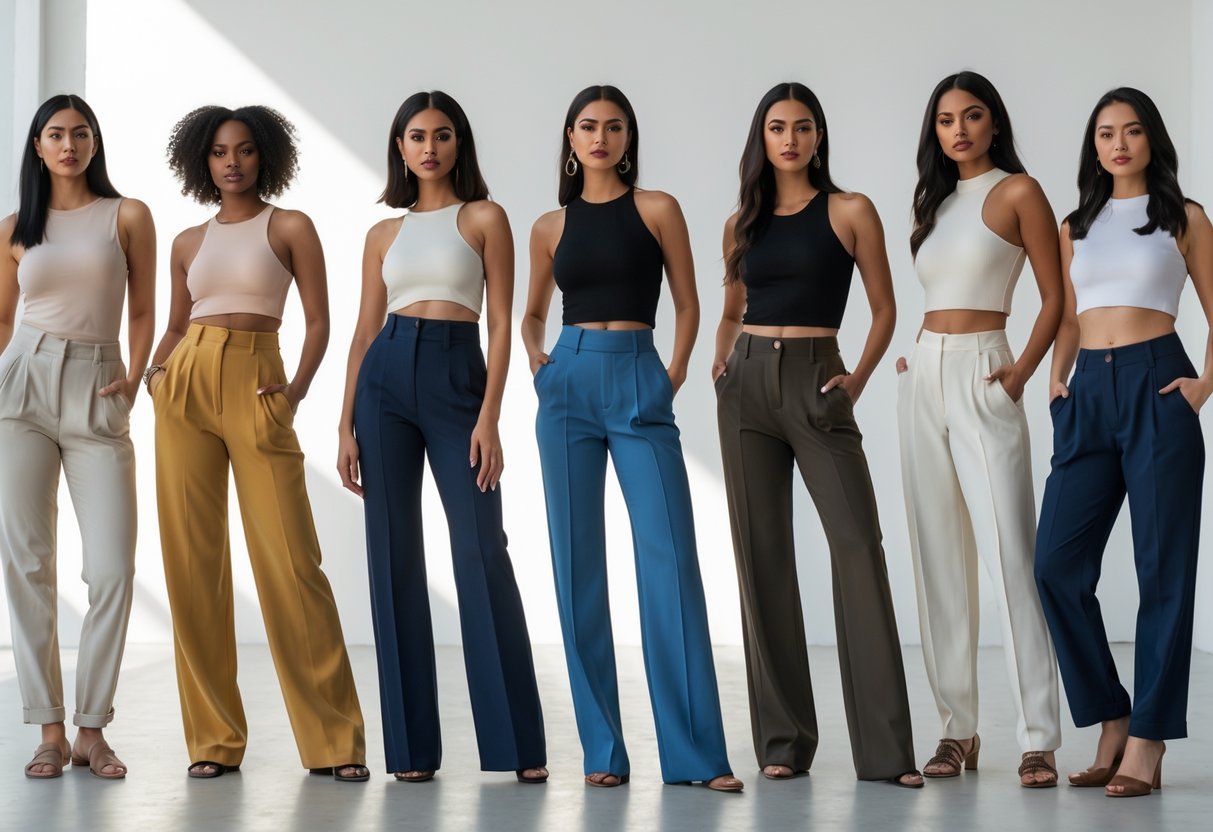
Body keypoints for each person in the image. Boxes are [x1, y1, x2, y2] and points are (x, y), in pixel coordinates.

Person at [522, 84, 741, 792]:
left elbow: (687, 300)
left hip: (639, 376)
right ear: (569, 138)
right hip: (569, 385)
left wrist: (671, 373)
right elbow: (530, 314)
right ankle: (602, 751)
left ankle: (697, 757)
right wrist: (540, 366)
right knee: (576, 566)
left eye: (613, 127)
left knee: (669, 562)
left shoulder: (657, 209)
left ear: (627, 138)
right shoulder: (549, 226)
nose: (600, 138)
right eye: (587, 126)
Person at [148, 104, 366, 781]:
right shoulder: (187, 241)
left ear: (265, 155)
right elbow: (176, 324)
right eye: (218, 151)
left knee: (291, 562)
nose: (232, 162)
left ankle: (335, 742)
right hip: (185, 386)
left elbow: (321, 320)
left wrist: (295, 390)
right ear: (201, 161)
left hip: (257, 378)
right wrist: (157, 377)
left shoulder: (290, 226)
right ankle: (212, 741)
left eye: (243, 150)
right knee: (192, 563)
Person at [337, 91, 547, 784]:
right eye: (416, 136)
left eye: (443, 134)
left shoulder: (485, 218)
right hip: (386, 378)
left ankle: (517, 746)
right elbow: (364, 332)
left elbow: (500, 321)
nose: (429, 146)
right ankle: (411, 753)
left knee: (481, 547)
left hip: (459, 373)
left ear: (460, 144)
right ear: (399, 147)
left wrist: (490, 416)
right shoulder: (382, 234)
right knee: (392, 554)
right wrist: (344, 422)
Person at [713, 82, 920, 787]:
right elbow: (731, 305)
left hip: (816, 374)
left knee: (858, 547)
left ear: (818, 136)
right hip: (744, 385)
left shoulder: (849, 210)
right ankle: (782, 741)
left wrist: (856, 378)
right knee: (761, 556)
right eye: (777, 126)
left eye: (802, 126)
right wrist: (720, 359)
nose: (790, 138)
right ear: (761, 137)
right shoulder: (742, 220)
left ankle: (888, 754)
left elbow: (885, 306)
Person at [1035, 87, 1212, 798]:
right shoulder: (1075, 223)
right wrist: (1054, 378)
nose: (1118, 143)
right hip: (1087, 393)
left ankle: (1147, 740)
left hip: (1157, 380)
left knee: (1161, 568)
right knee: (1054, 562)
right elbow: (1071, 317)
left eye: (1131, 131)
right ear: (1093, 145)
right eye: (1105, 132)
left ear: (1150, 140)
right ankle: (1111, 714)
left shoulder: (1183, 218)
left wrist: (1202, 386)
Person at [897, 71, 1063, 786]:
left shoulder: (1017, 192)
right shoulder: (935, 202)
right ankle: (955, 732)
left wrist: (1022, 369)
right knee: (938, 558)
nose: (957, 129)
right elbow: (938, 294)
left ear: (993, 124)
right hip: (923, 374)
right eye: (944, 119)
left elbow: (1057, 294)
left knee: (1009, 557)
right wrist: (918, 359)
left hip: (985, 369)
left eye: (971, 116)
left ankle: (1038, 736)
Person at [0, 94, 154, 780]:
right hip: (22, 390)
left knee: (112, 568)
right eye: (55, 134)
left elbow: (146, 305)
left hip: (99, 385)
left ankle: (93, 729)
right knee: (28, 564)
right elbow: (4, 321)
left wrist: (136, 372)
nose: (68, 144)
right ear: (37, 147)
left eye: (80, 133)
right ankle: (49, 730)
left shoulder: (126, 216)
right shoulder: (14, 228)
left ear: (95, 144)